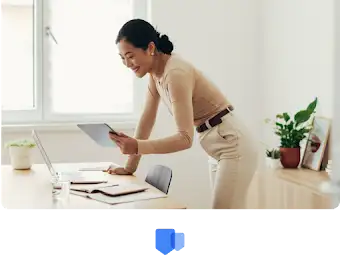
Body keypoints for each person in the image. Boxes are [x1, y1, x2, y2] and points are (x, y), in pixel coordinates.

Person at [108, 18, 258, 211]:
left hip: (232, 143)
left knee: (223, 213)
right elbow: (147, 119)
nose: (127, 64)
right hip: (216, 143)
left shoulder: (175, 73)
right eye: (122, 58)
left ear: (150, 48)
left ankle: (176, 243)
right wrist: (130, 166)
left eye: (130, 56)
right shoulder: (155, 73)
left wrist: (137, 146)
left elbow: (185, 138)